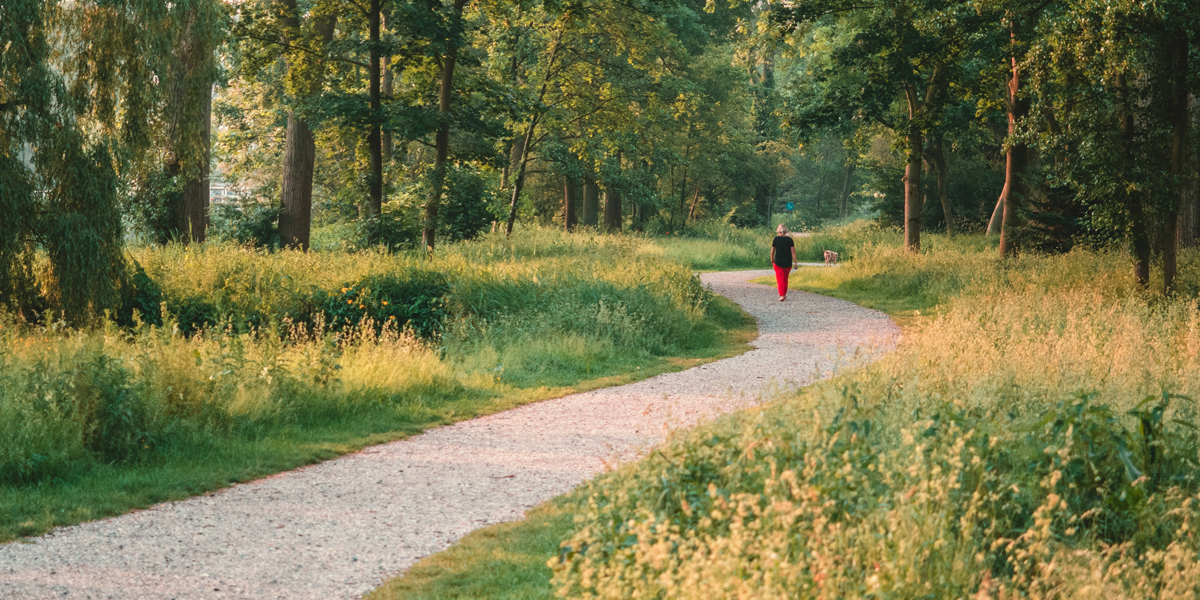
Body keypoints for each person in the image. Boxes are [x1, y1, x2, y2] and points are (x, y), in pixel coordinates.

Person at [770, 224, 796, 301]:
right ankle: (784, 294)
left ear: (778, 231)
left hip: (778, 262)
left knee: (780, 279)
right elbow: (793, 252)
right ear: (786, 231)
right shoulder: (790, 240)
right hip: (788, 263)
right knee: (785, 279)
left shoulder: (776, 239)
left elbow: (772, 251)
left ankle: (782, 295)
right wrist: (795, 262)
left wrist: (772, 259)